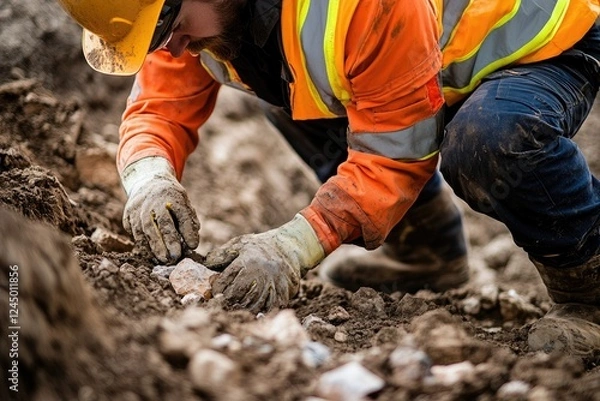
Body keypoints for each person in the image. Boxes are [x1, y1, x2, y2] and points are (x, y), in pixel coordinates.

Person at [57, 0, 600, 355]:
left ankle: (589, 293)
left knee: (487, 142)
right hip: (410, 67)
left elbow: (395, 152)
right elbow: (158, 106)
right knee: (293, 92)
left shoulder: (360, 6)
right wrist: (149, 177)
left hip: (532, 45)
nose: (170, 48)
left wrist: (296, 243)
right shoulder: (183, 19)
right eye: (155, 38)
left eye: (171, 29)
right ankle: (427, 253)